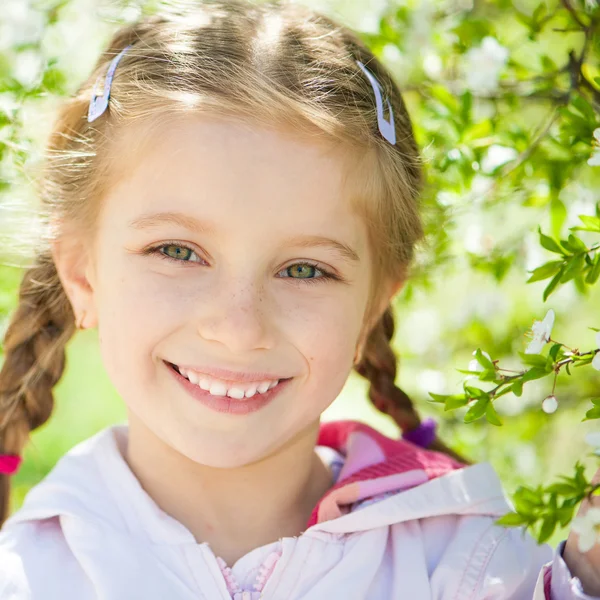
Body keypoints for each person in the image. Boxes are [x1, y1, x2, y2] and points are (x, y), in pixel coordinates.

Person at [0, 1, 598, 598]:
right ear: (80, 272)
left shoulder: (475, 567)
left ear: (372, 306)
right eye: (177, 252)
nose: (238, 328)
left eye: (305, 268)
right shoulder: (27, 577)